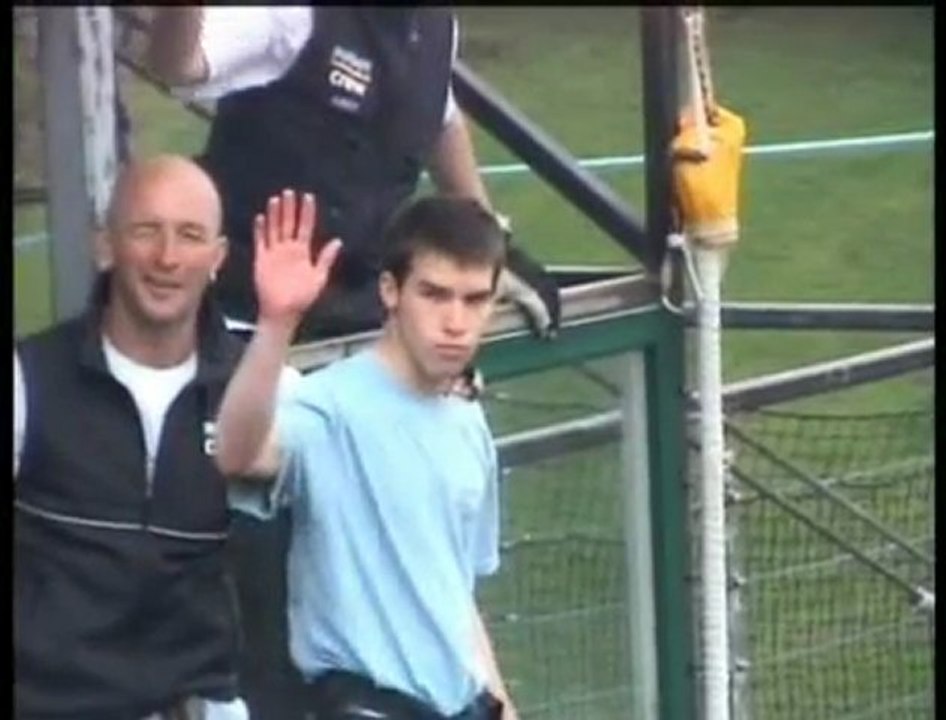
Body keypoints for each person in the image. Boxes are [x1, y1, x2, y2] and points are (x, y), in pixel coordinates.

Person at [215, 190, 519, 720]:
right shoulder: (327, 408)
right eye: (434, 294)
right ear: (390, 291)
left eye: (474, 300)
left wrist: (504, 707)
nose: (455, 321)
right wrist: (277, 324)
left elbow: (453, 592)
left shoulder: (469, 425)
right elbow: (238, 455)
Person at [146, 5, 559, 341]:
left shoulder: (435, 27)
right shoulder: (291, 12)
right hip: (242, 320)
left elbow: (439, 114)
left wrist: (489, 245)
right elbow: (178, 64)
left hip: (357, 315)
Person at [13, 155, 256, 720]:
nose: (167, 258)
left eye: (190, 236)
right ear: (105, 245)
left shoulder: (259, 387)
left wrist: (445, 380)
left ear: (218, 259)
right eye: (146, 231)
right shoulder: (29, 379)